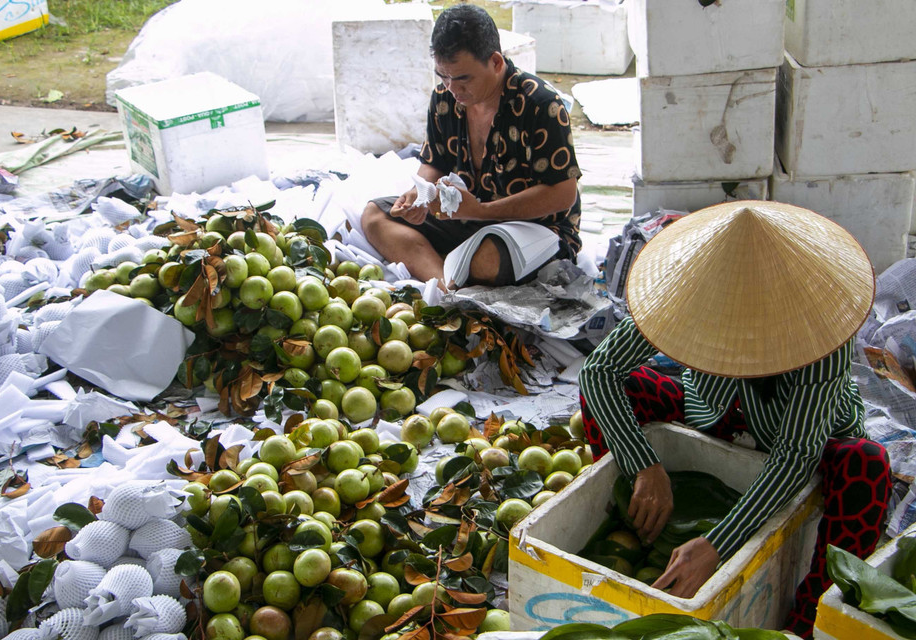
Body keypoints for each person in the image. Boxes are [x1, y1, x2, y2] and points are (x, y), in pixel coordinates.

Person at [577, 201, 891, 638]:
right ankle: (637, 509)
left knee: (868, 464)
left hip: (802, 434)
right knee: (629, 390)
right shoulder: (686, 293)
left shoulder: (820, 328)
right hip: (714, 412)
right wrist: (642, 463)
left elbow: (795, 456)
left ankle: (806, 621)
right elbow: (599, 372)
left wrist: (717, 545)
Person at [360, 4, 582, 289]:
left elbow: (562, 195)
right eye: (444, 76)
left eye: (463, 78)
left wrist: (480, 211)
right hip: (466, 219)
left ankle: (448, 269)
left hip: (536, 229)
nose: (453, 88)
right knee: (375, 216)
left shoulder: (540, 104)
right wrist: (421, 195)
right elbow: (434, 163)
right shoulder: (444, 98)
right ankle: (445, 287)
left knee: (486, 261)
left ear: (496, 62)